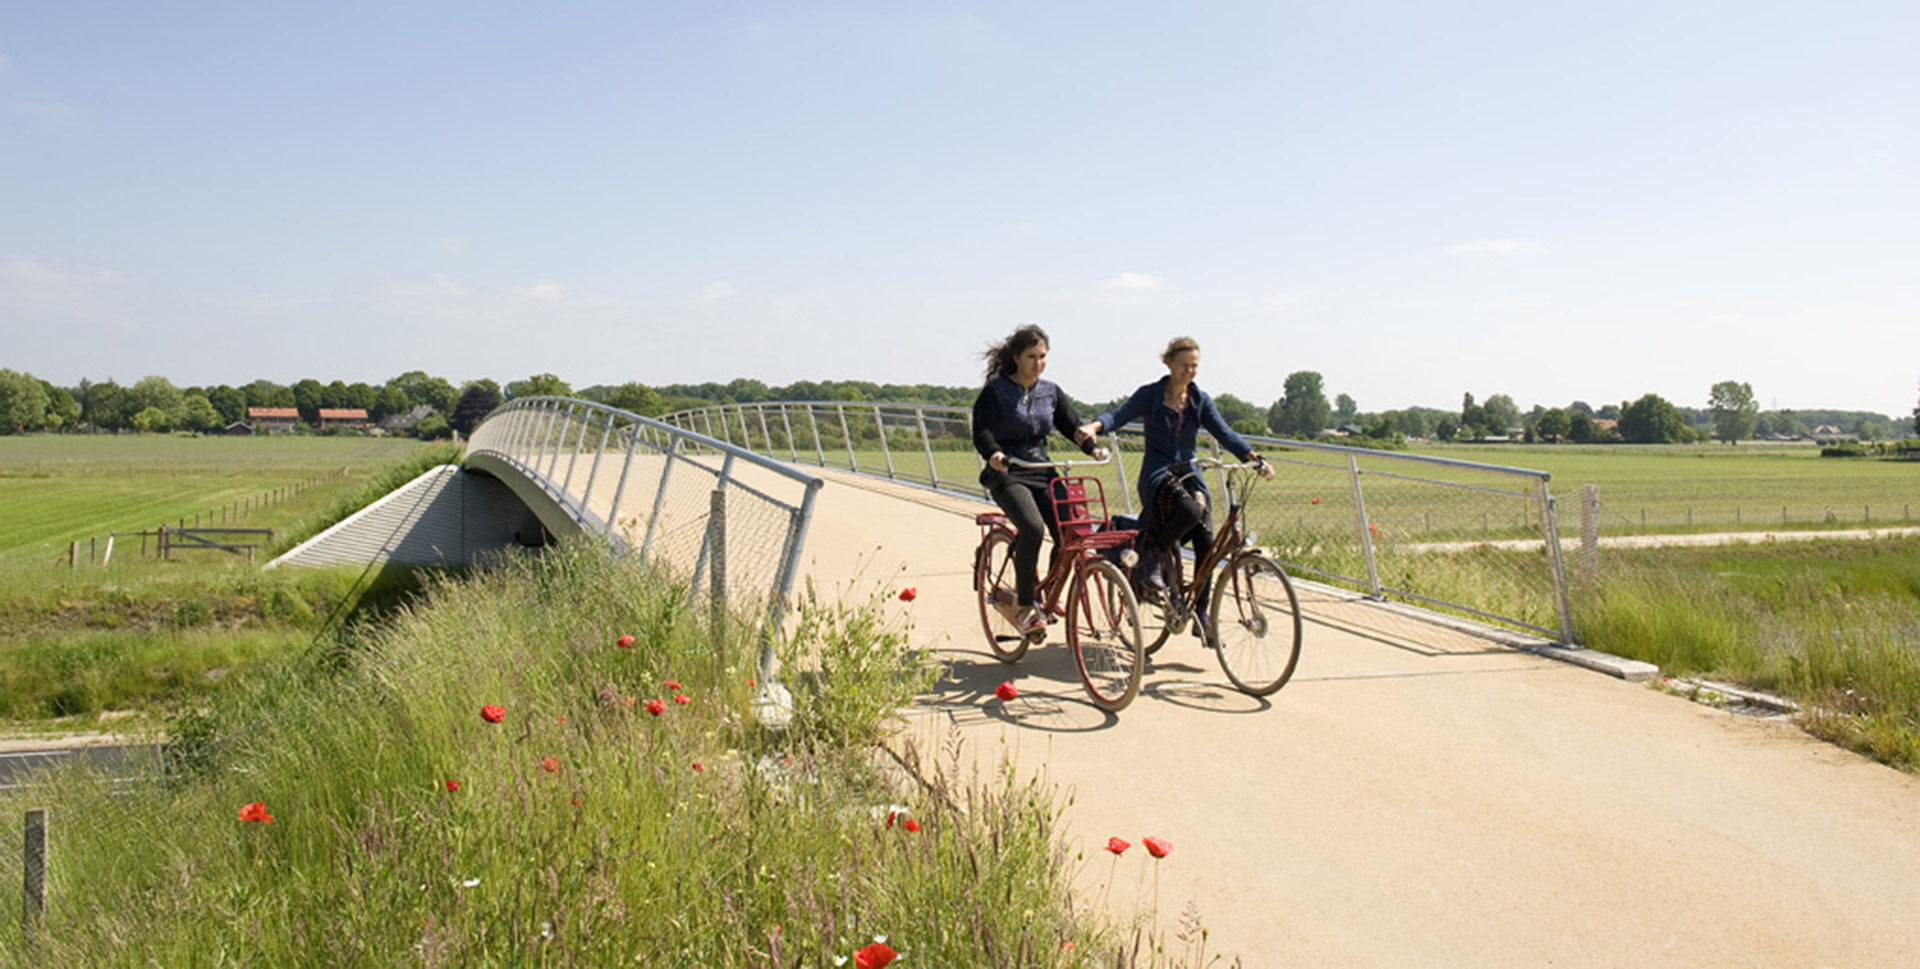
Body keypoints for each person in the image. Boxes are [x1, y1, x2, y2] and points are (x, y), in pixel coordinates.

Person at [1078, 336, 1272, 624]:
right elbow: (1119, 415)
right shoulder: (1151, 395)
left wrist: (1254, 459)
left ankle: (1202, 611)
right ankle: (1153, 553)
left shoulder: (1199, 400)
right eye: (1184, 365)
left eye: (1194, 366)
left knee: (1206, 540)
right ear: (1169, 363)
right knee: (1191, 510)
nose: (1190, 371)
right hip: (1158, 476)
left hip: (1189, 475)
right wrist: (1095, 426)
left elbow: (1225, 433)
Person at [972, 324, 1102, 634]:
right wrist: (993, 453)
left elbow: (1071, 425)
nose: (1038, 363)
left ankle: (1050, 590)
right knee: (1032, 528)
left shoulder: (1050, 392)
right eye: (1031, 357)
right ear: (1016, 357)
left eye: (1043, 356)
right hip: (1009, 473)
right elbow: (981, 429)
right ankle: (1026, 606)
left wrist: (1091, 447)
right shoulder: (996, 391)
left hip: (1043, 470)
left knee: (1071, 534)